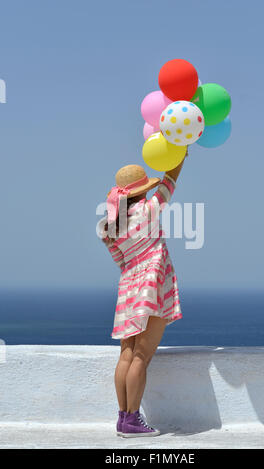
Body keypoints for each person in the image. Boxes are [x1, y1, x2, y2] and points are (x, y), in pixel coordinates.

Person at [96, 149, 187, 438]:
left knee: (126, 355)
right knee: (142, 356)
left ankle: (124, 419)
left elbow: (121, 262)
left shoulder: (110, 228)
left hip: (128, 289)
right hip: (151, 286)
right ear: (141, 193)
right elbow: (170, 180)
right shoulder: (149, 210)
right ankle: (133, 420)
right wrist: (181, 151)